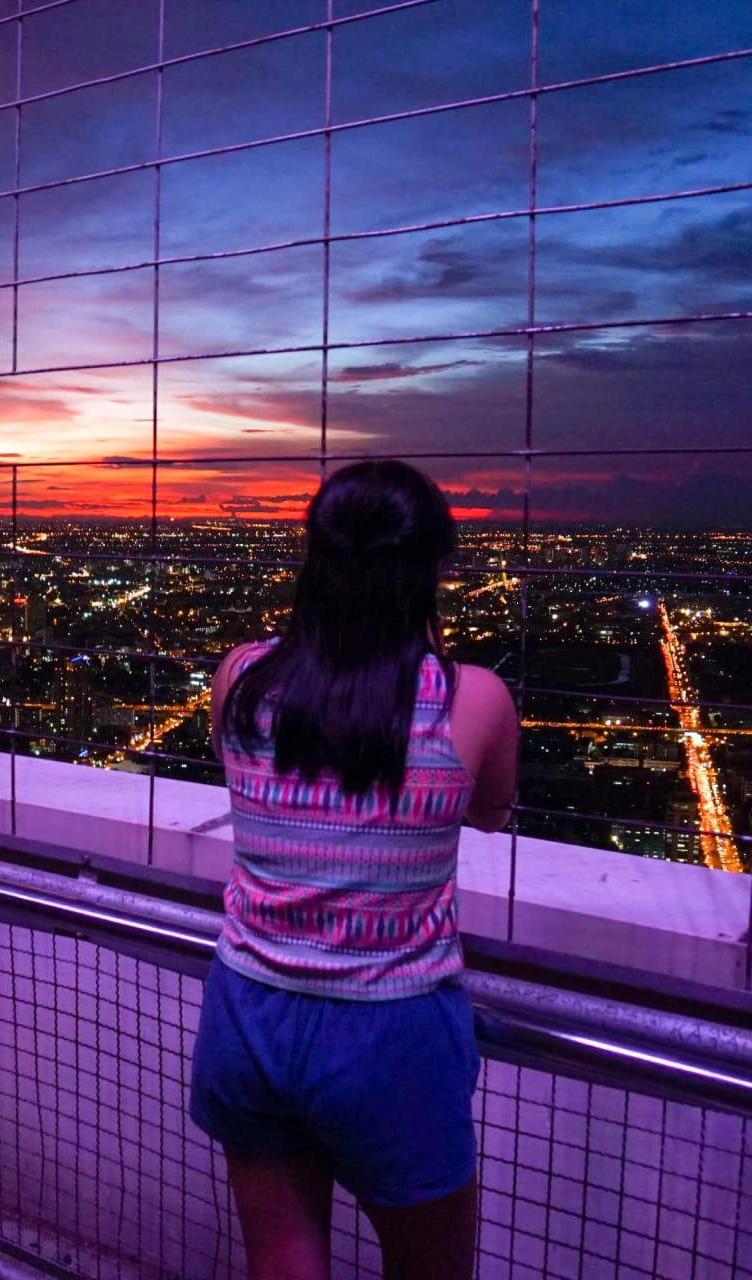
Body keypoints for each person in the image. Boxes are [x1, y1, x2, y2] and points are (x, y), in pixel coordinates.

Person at [188, 460, 520, 1280]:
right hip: (391, 1026)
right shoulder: (471, 699)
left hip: (249, 1009)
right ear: (435, 568)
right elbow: (490, 809)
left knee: (284, 1264)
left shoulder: (242, 676)